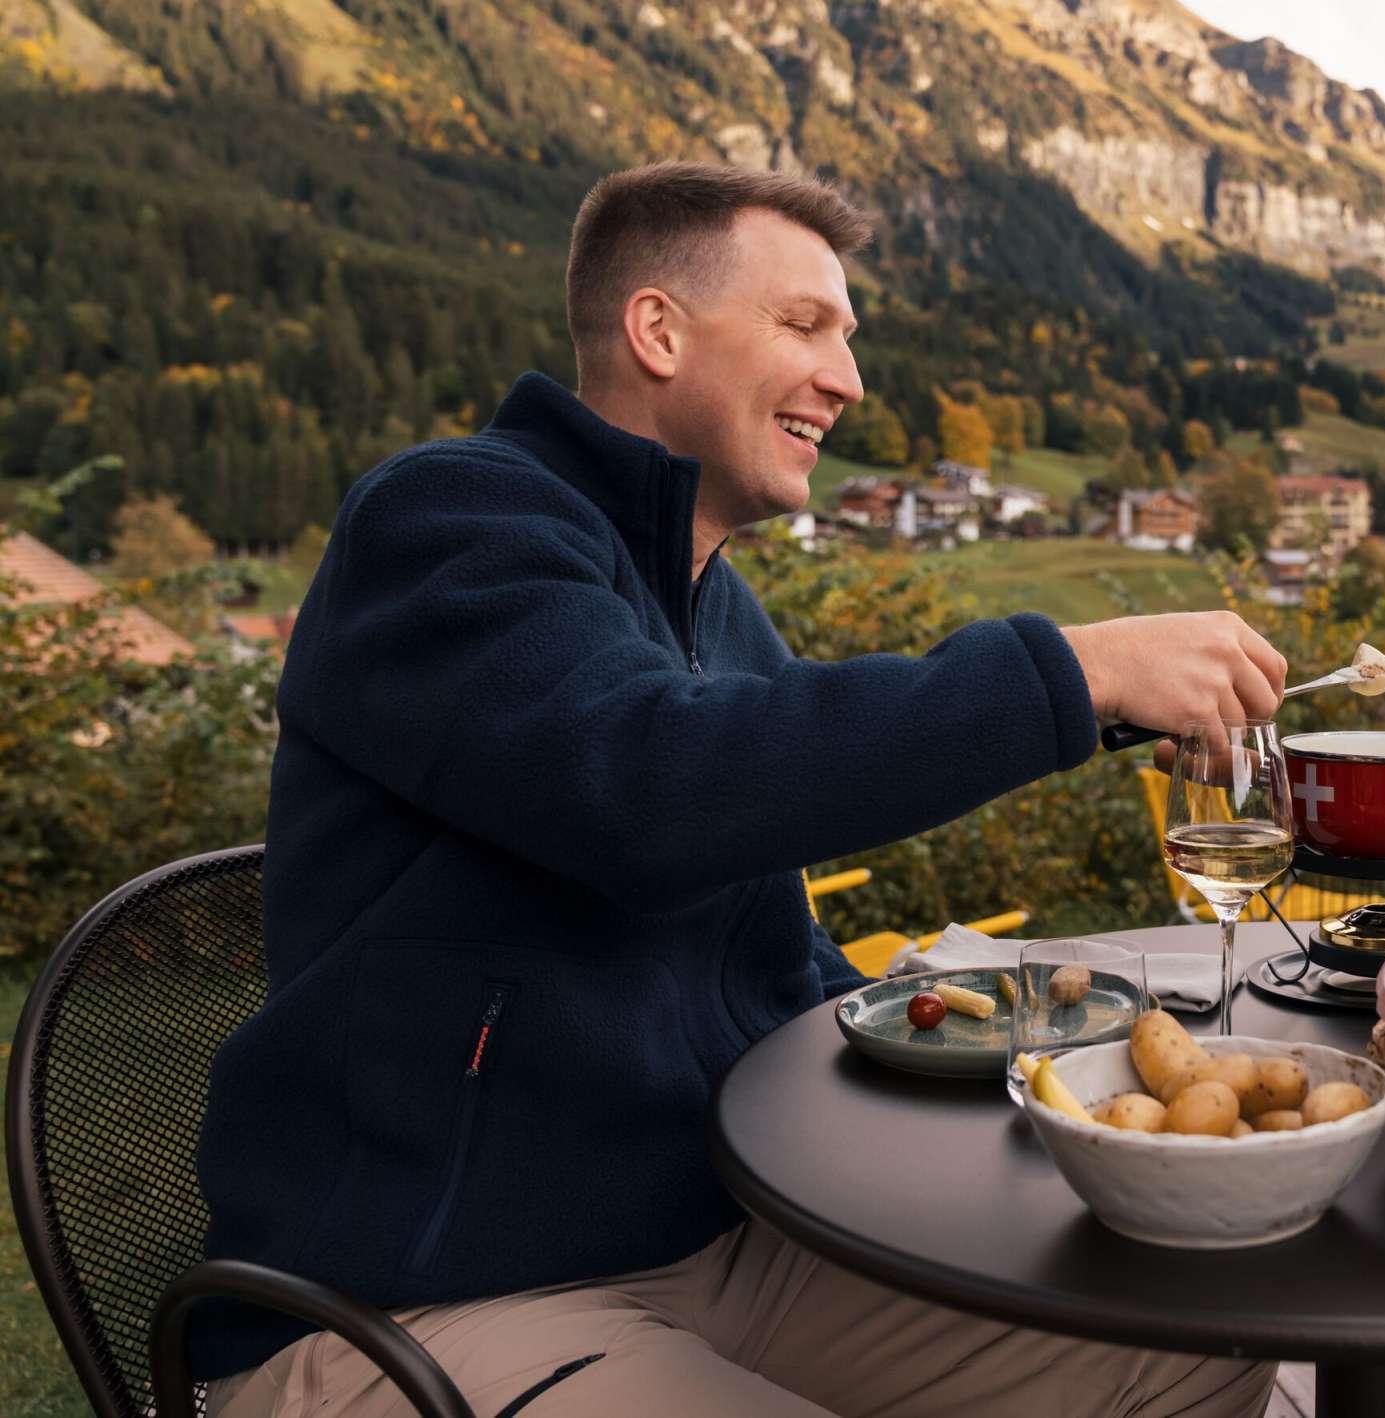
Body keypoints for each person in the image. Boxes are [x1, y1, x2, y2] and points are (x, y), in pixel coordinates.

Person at [193, 161, 1284, 1418]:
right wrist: (1074, 669)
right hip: (417, 1307)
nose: (848, 377)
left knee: (1195, 1335)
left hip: (720, 1256)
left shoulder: (718, 611)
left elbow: (771, 962)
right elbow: (653, 786)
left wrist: (982, 1030)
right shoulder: (451, 521)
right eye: (803, 324)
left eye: (847, 337)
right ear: (659, 329)